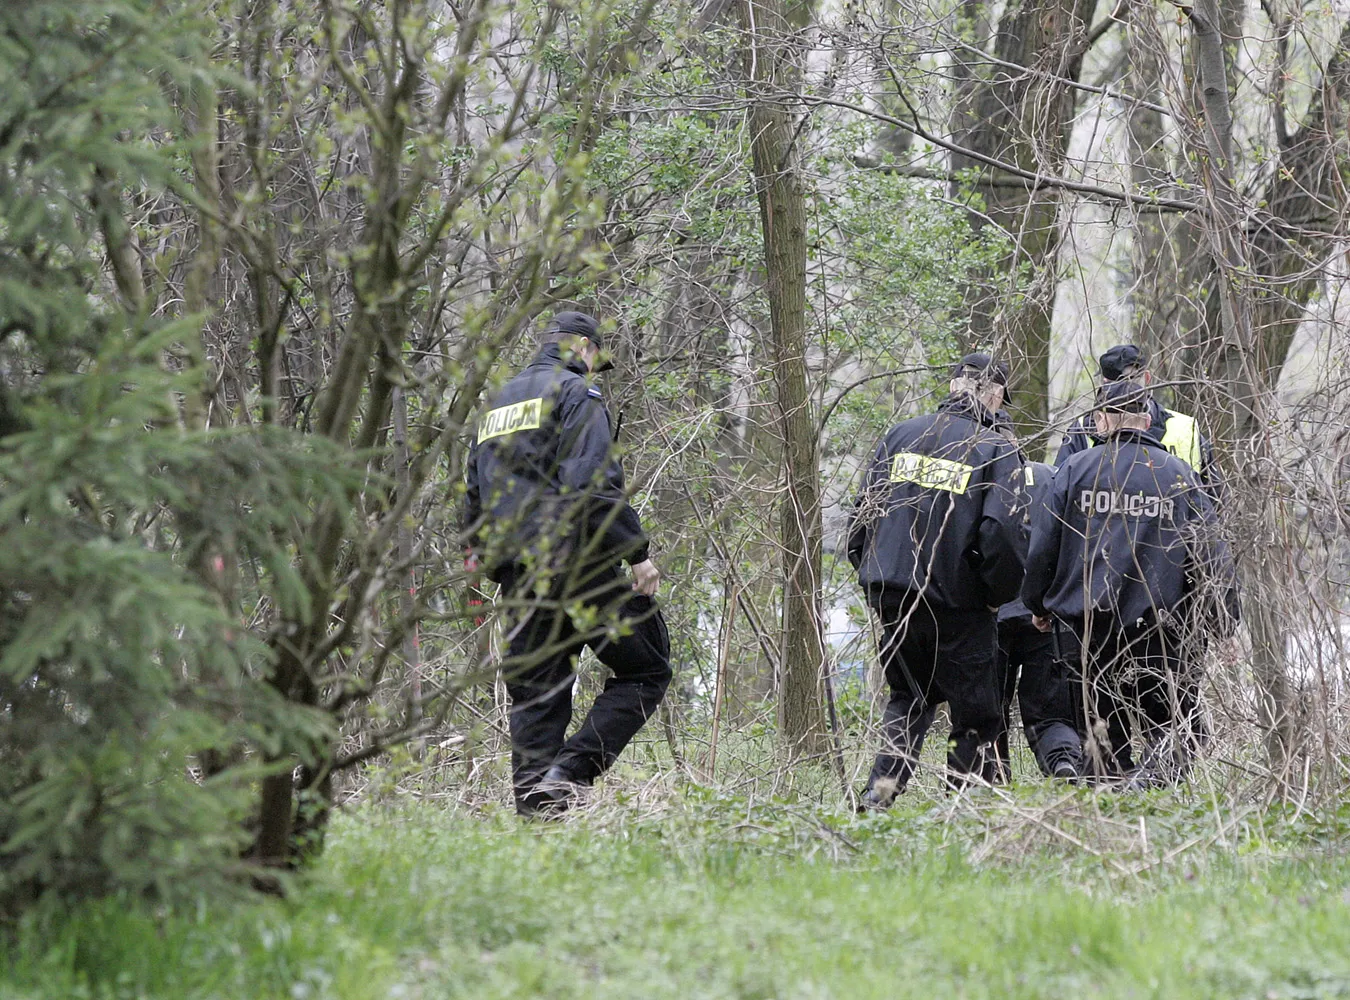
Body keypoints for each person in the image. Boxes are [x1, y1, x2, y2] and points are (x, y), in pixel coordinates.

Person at [463, 311, 672, 816]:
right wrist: (637, 554)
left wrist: (491, 563)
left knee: (536, 696)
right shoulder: (575, 393)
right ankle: (569, 774)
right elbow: (594, 484)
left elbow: (472, 493)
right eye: (596, 358)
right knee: (647, 669)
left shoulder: (495, 404)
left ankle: (539, 817)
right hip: (578, 564)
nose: (596, 367)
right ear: (583, 346)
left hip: (518, 574)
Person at [1022, 381, 1238, 784]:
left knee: (1102, 736)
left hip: (1088, 626)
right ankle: (1151, 793)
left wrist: (1037, 604)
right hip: (1160, 628)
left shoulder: (1075, 469)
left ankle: (1111, 800)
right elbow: (1212, 556)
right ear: (1148, 419)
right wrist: (1222, 623)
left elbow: (1044, 546)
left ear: (1101, 420)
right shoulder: (1178, 475)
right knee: (1170, 726)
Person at [846, 354, 1027, 809]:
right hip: (958, 602)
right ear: (994, 394)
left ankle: (877, 797)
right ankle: (962, 809)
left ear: (952, 387)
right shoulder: (996, 449)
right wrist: (995, 597)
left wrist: (873, 574)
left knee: (908, 698)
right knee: (976, 713)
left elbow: (861, 517)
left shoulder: (901, 434)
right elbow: (1002, 534)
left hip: (892, 592)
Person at [995, 458, 1084, 781]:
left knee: (987, 712)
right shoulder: (1052, 476)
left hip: (991, 614)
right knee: (1051, 712)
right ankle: (1063, 762)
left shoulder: (980, 474)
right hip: (1045, 611)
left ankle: (990, 781)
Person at [1056, 345, 1220, 499]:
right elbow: (1060, 492)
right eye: (1113, 383)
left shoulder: (1186, 429)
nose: (1120, 391)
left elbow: (1214, 498)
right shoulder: (1083, 430)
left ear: (1147, 378)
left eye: (1128, 380)